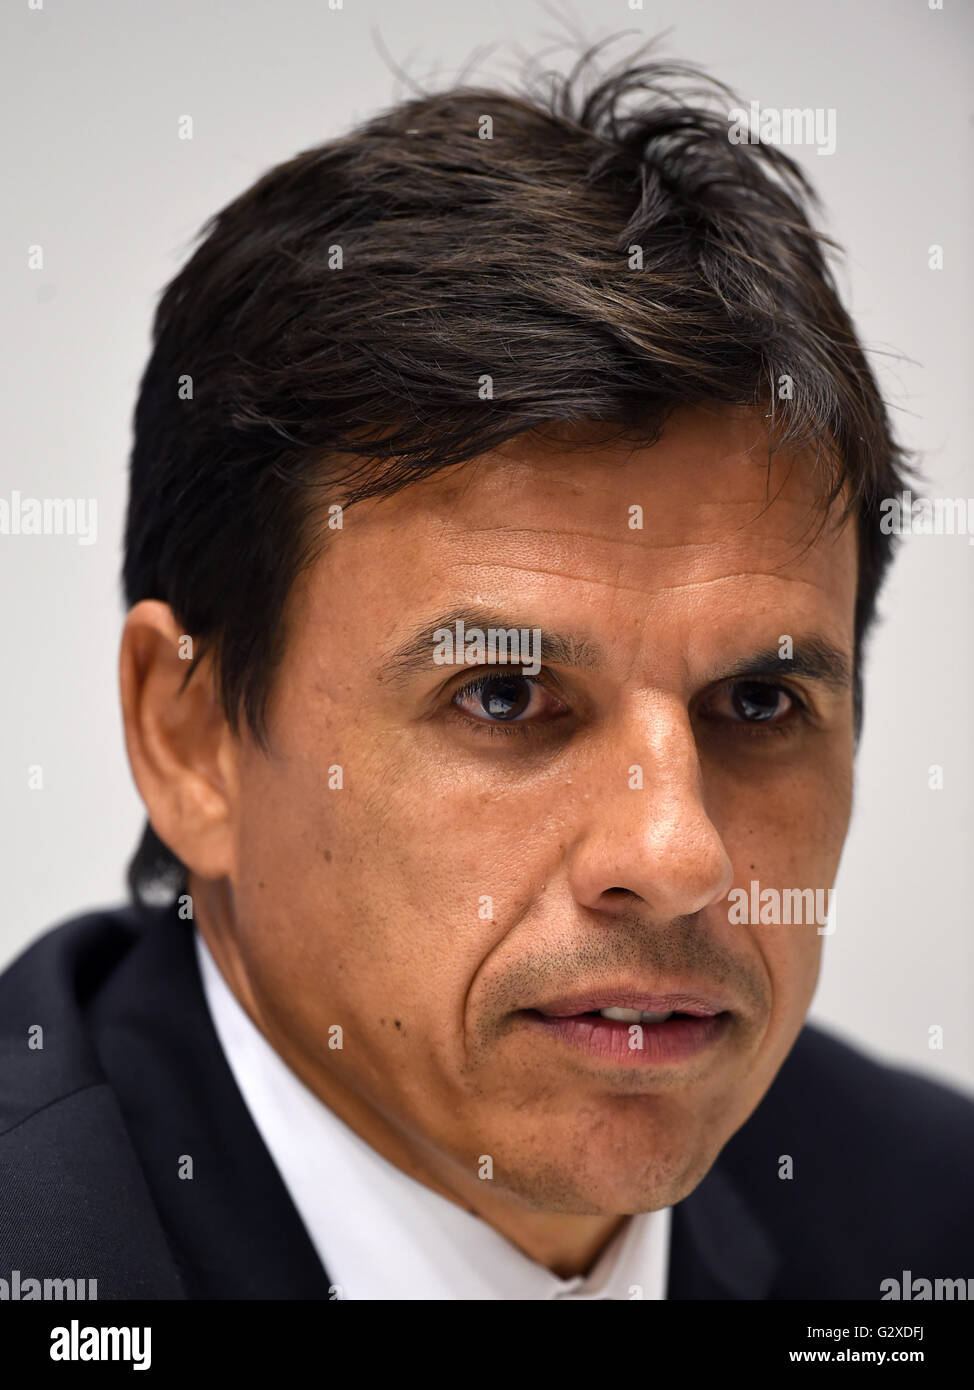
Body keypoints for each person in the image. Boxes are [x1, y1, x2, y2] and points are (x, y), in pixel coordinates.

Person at [2, 48, 972, 1301]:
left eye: (756, 703)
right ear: (188, 736)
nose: (676, 855)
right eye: (504, 696)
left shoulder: (931, 1227)